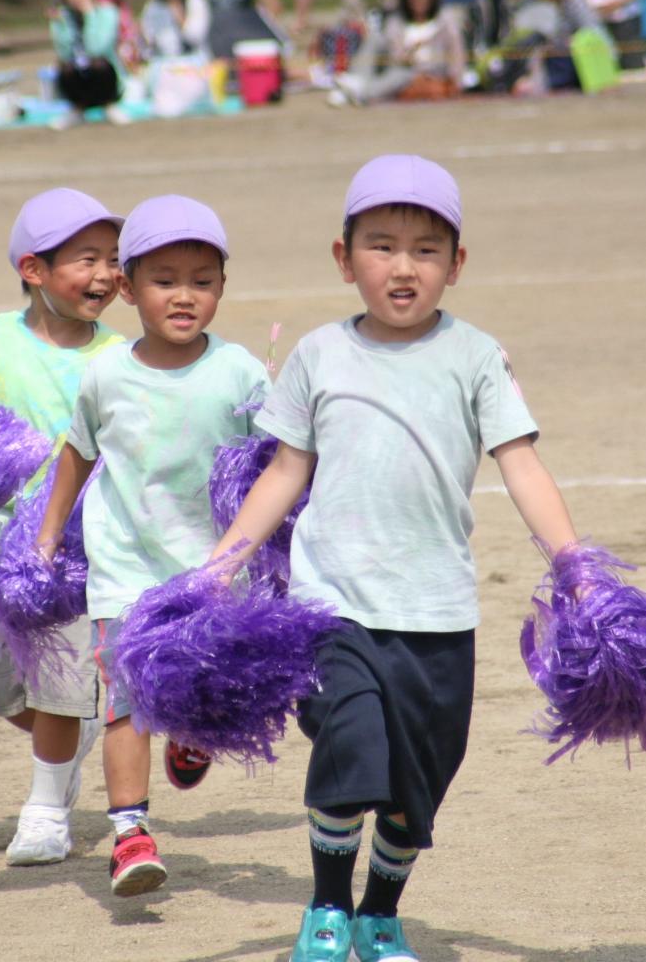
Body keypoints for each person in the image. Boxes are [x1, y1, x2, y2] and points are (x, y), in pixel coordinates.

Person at [209, 153, 580, 962]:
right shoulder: (317, 354)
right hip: (332, 605)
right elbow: (285, 471)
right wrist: (221, 564)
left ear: (457, 264)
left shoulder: (475, 356)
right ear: (343, 259)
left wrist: (572, 562)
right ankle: (326, 907)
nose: (402, 267)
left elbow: (519, 463)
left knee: (415, 793)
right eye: (380, 245)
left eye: (425, 249)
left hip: (436, 612)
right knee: (352, 751)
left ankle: (379, 914)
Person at [34, 194, 270, 899]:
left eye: (202, 280)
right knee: (125, 699)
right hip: (125, 569)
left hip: (212, 569)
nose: (184, 296)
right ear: (129, 289)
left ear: (222, 288)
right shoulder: (106, 374)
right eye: (164, 280)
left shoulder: (242, 373)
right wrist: (49, 535)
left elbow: (283, 460)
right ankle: (130, 832)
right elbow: (76, 453)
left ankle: (193, 729)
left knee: (200, 682)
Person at [0, 187, 126, 866]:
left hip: (75, 552)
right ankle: (66, 734)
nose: (106, 274)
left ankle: (45, 811)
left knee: (61, 677)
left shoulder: (118, 356)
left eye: (113, 259)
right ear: (34, 269)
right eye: (86, 259)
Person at [330, 0, 465, 105]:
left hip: (425, 74)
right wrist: (409, 53)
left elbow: (457, 57)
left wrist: (454, 82)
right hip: (396, 68)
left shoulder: (446, 21)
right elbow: (395, 56)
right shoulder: (396, 22)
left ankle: (358, 92)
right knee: (376, 39)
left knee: (403, 75)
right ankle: (356, 83)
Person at [504, 0, 606, 94]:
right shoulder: (526, 3)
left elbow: (594, 32)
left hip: (570, 65)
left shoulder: (570, 0)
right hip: (536, 64)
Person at [48, 0, 124, 128]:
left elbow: (97, 49)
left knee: (99, 64)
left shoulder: (108, 13)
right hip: (77, 75)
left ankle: (108, 105)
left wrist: (89, 15)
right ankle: (77, 109)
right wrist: (61, 25)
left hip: (106, 76)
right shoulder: (63, 17)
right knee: (66, 68)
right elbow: (63, 53)